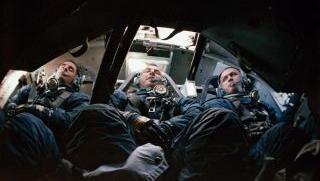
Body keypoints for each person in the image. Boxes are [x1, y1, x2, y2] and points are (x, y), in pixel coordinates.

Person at [63, 64, 203, 180]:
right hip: (127, 145)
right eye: (147, 71)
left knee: (216, 116)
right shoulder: (122, 97)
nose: (152, 73)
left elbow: (197, 114)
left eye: (156, 72)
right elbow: (102, 107)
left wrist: (167, 126)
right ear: (137, 80)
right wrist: (132, 118)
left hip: (171, 148)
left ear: (164, 81)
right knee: (94, 112)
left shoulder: (179, 102)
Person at [170, 67, 308, 181]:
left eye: (233, 74)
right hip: (232, 156)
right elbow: (195, 122)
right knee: (224, 116)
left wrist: (297, 97)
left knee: (289, 131)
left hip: (261, 152)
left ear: (243, 79)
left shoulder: (263, 106)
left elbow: (282, 123)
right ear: (221, 88)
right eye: (225, 78)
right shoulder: (216, 104)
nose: (230, 78)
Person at [3, 60, 90, 150]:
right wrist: (13, 108)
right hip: (16, 129)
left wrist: (37, 109)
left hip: (45, 144)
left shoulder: (78, 98)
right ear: (56, 71)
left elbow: (73, 121)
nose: (65, 68)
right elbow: (8, 103)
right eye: (63, 65)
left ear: (76, 79)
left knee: (26, 120)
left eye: (70, 69)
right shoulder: (33, 88)